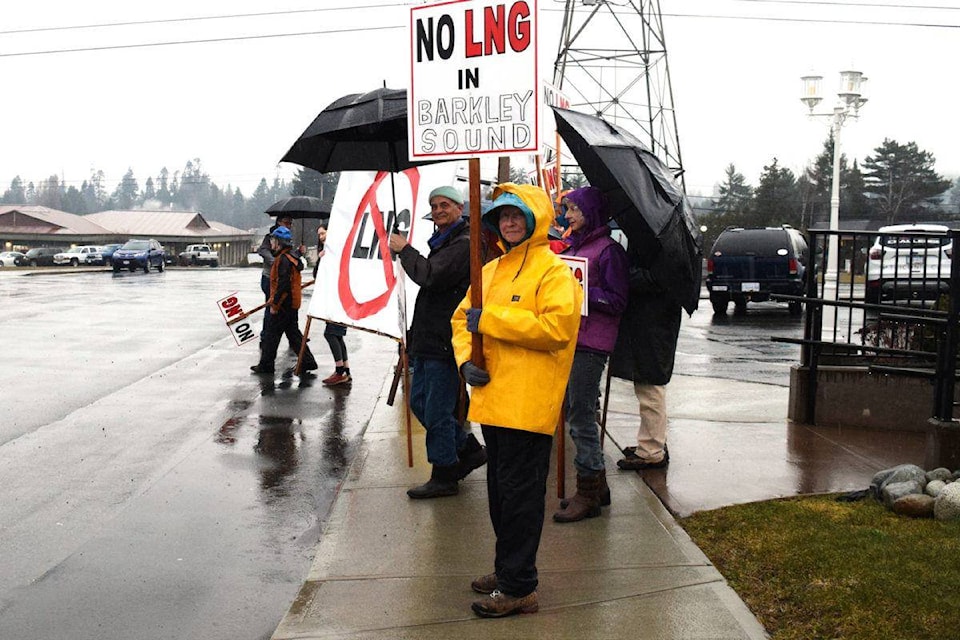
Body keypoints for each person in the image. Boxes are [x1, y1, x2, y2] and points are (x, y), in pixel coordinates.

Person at [451, 183, 582, 619]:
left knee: (522, 498)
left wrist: (492, 320)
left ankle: (520, 586)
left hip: (529, 405)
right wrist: (466, 358)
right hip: (492, 400)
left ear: (536, 218)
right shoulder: (488, 271)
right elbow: (460, 319)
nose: (508, 223)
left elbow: (557, 329)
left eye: (517, 215)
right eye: (502, 216)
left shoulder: (554, 272)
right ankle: (507, 568)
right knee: (500, 496)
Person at [388, 185, 486, 499]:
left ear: (460, 208)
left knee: (438, 409)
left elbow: (431, 276)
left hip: (445, 340)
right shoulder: (445, 242)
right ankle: (467, 449)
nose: (440, 209)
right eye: (435, 205)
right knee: (420, 403)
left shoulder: (463, 244)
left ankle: (444, 473)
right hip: (429, 339)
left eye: (445, 204)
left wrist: (405, 250)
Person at [551, 186, 630, 523]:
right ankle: (598, 485)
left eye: (573, 210)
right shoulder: (576, 245)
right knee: (577, 410)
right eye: (566, 209)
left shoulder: (609, 251)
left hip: (592, 342)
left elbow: (617, 301)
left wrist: (584, 290)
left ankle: (588, 490)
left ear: (590, 211)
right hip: (571, 337)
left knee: (580, 414)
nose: (567, 216)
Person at [608, 245, 683, 471]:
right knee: (648, 386)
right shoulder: (660, 241)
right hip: (652, 323)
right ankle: (653, 441)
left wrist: (623, 274)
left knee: (650, 387)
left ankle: (651, 450)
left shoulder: (664, 247)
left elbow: (658, 278)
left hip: (655, 324)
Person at [251, 226, 318, 375]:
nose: (272, 243)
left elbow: (282, 285)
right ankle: (308, 361)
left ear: (279, 242)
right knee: (293, 335)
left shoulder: (283, 260)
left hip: (283, 305)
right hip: (291, 304)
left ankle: (266, 366)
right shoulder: (291, 257)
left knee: (271, 335)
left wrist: (275, 304)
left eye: (274, 240)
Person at [311, 222, 352, 386]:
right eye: (319, 235)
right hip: (334, 297)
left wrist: (324, 260)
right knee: (337, 334)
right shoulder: (326, 252)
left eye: (323, 233)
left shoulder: (336, 252)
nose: (321, 237)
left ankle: (340, 370)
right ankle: (345, 370)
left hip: (338, 298)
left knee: (331, 333)